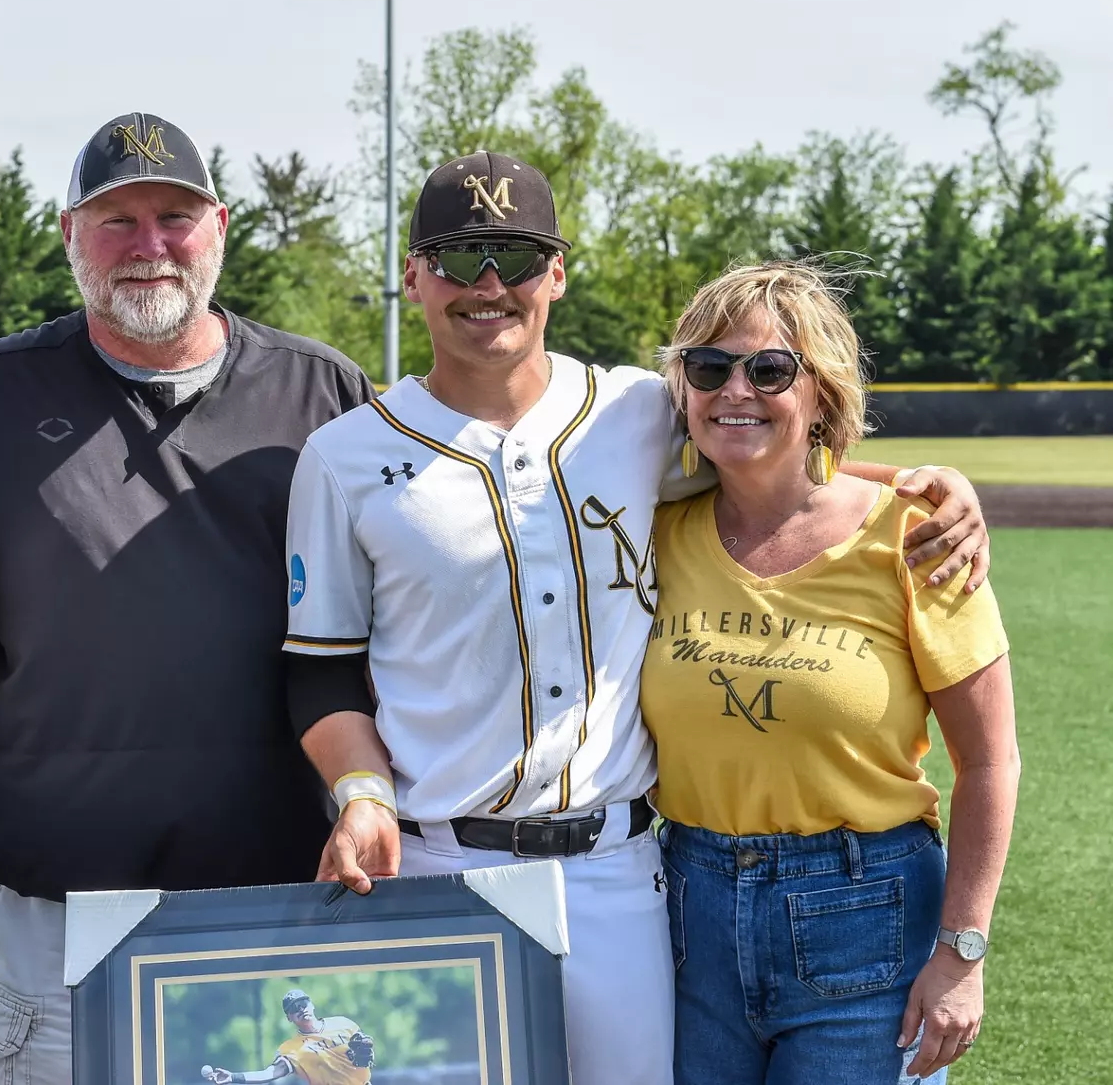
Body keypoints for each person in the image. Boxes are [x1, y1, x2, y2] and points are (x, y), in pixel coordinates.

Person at [283, 151, 991, 1085]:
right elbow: (319, 667)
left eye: (517, 257)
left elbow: (762, 445)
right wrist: (359, 793)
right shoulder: (341, 456)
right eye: (458, 258)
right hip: (432, 864)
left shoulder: (634, 411)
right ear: (412, 274)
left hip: (618, 873)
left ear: (558, 274)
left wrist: (922, 484)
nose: (488, 284)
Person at [0, 112, 374, 1085]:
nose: (149, 244)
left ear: (218, 224)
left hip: (278, 898)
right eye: (116, 219)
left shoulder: (319, 389)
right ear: (70, 231)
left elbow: (376, 623)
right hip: (58, 910)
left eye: (174, 215)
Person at [640, 261, 1020, 1084]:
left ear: (823, 392)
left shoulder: (916, 537)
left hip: (865, 911)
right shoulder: (653, 529)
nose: (733, 388)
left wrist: (961, 952)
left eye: (768, 369)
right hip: (683, 907)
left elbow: (988, 761)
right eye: (708, 367)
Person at [205, 990, 374, 1084]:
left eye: (303, 1004)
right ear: (289, 1018)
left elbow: (366, 1050)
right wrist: (234, 1077)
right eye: (294, 1009)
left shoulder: (343, 1023)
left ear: (312, 1005)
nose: (301, 1009)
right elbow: (269, 1073)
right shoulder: (292, 1049)